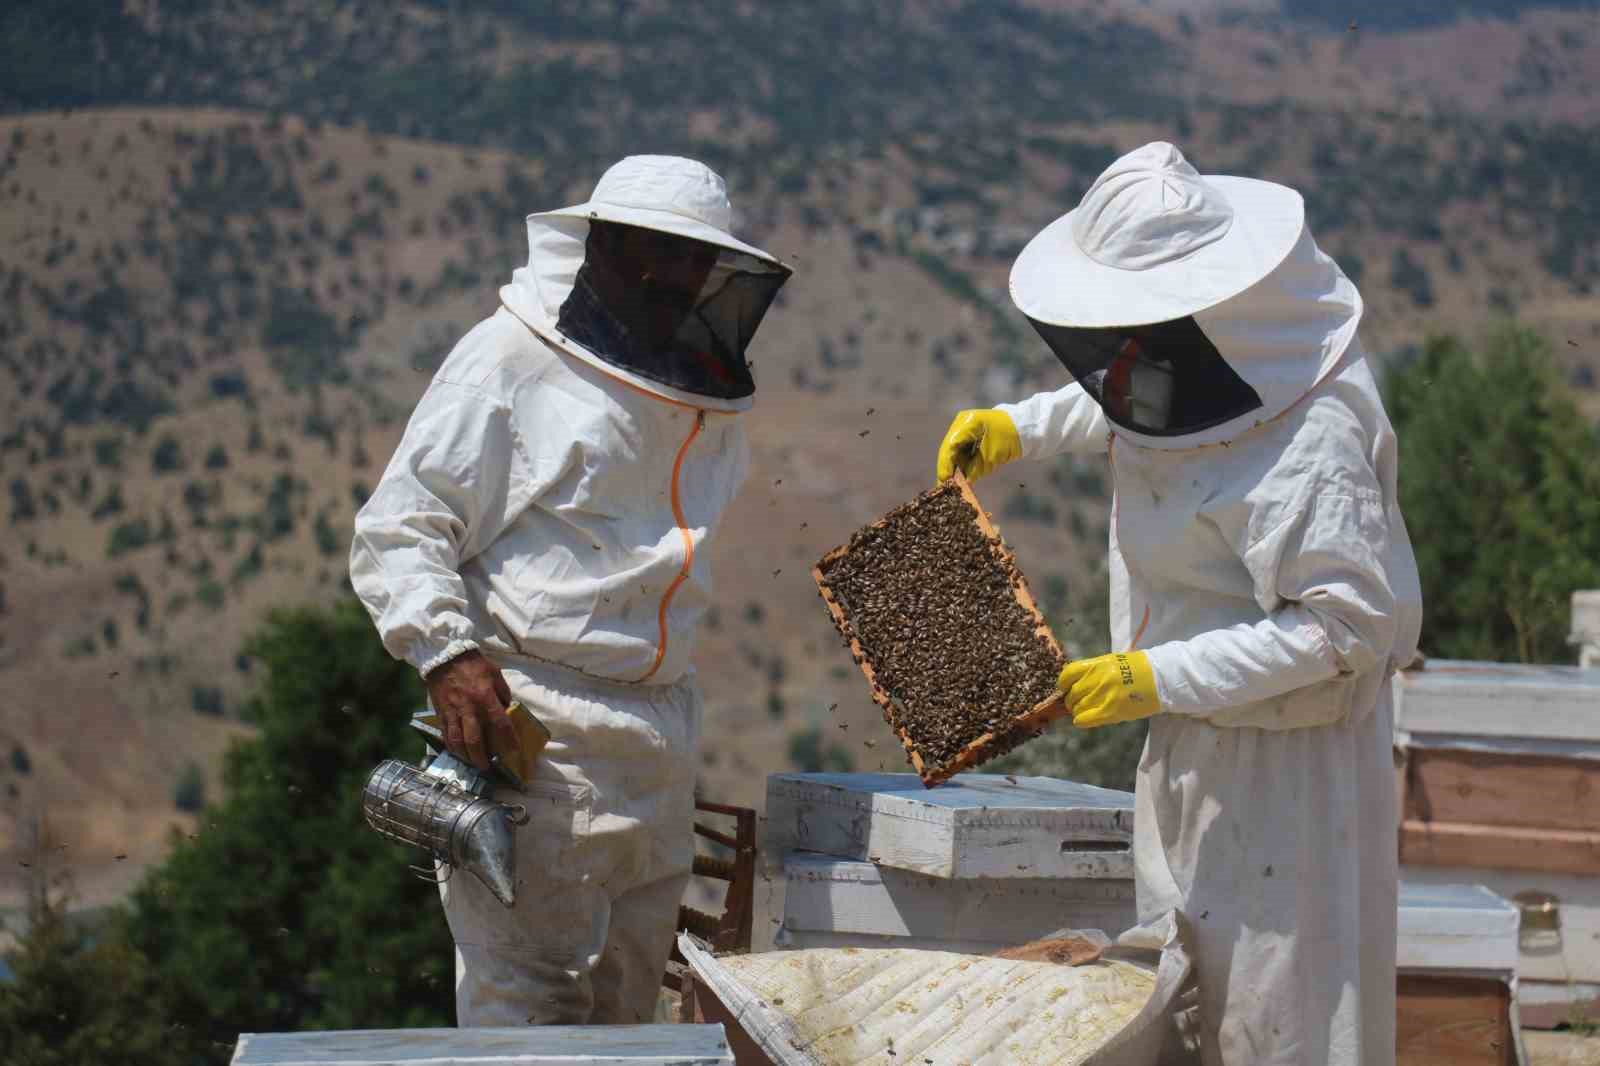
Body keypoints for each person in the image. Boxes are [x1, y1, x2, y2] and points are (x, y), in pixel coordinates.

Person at [936, 142, 1421, 1065]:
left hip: (1291, 770)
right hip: (1190, 736)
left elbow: (1346, 628)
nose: (1120, 351)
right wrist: (1022, 426)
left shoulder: (1312, 441)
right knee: (1183, 1005)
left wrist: (1150, 674)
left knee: (1281, 1031)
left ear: (1212, 307)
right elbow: (1140, 393)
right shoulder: (1203, 356)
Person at [350, 155, 792, 1026]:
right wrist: (446, 652)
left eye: (692, 260)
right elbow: (401, 525)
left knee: (631, 1023)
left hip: (660, 734)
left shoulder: (695, 393)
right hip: (539, 735)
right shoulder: (509, 362)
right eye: (653, 254)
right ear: (604, 249)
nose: (674, 277)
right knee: (529, 1024)